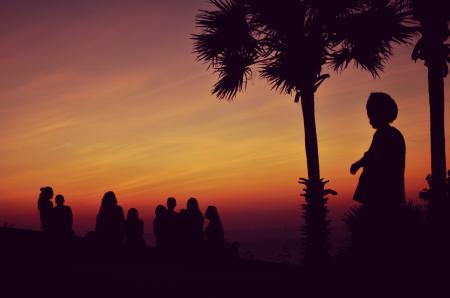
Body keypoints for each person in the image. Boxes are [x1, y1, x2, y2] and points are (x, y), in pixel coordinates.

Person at [350, 92, 406, 208]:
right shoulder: (393, 134)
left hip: (379, 194)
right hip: (389, 194)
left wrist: (357, 164)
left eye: (371, 115)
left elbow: (372, 156)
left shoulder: (384, 134)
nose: (370, 120)